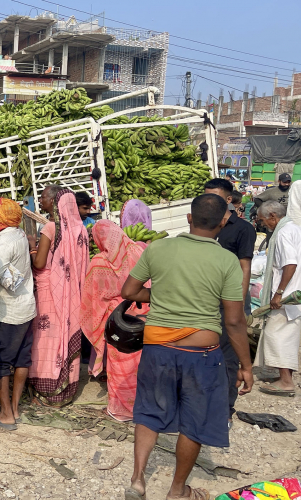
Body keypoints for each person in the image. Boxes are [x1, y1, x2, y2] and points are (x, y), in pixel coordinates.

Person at [121, 194, 253, 500]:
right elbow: (234, 321)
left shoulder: (159, 247)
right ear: (223, 222)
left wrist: (164, 295)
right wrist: (246, 366)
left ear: (189, 218)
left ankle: (138, 480)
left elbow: (128, 291)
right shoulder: (226, 261)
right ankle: (177, 491)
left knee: (148, 411)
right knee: (195, 421)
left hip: (156, 350)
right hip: (201, 355)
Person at [80, 220, 149, 421]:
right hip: (142, 313)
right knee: (140, 362)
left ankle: (122, 409)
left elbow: (92, 296)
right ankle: (143, 406)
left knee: (119, 365)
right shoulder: (138, 251)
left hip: (118, 319)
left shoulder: (99, 262)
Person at [26, 185, 89, 406]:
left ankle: (46, 390)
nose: (40, 200)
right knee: (63, 335)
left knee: (46, 341)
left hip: (48, 291)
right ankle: (66, 390)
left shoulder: (50, 229)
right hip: (71, 294)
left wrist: (33, 248)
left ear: (53, 202)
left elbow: (40, 263)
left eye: (42, 197)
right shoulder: (80, 228)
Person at [204, 178, 257, 423]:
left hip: (230, 300)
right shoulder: (205, 225)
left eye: (214, 197)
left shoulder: (242, 229)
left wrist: (239, 300)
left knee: (228, 354)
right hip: (206, 301)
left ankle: (224, 409)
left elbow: (244, 265)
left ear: (227, 200)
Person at [0, 199, 35, 430]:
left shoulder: (4, 241)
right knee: (22, 359)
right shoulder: (20, 234)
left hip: (7, 311)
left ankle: (5, 414)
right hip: (26, 306)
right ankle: (14, 408)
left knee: (0, 361)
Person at [255, 195, 301, 397]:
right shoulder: (294, 228)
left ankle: (285, 381)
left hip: (286, 296)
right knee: (287, 337)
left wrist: (279, 293)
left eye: (263, 221)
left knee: (277, 336)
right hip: (294, 294)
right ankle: (284, 377)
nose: (263, 225)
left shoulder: (282, 234)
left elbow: (290, 263)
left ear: (272, 216)